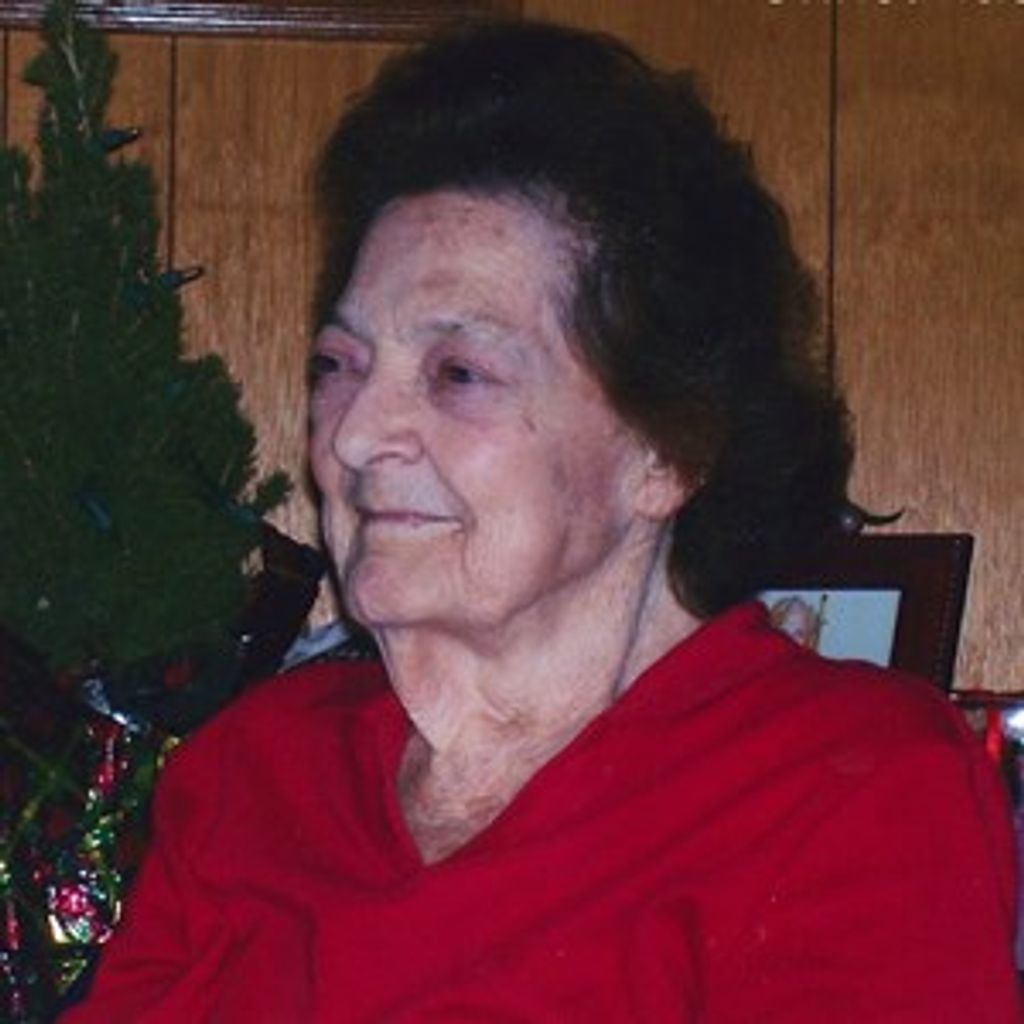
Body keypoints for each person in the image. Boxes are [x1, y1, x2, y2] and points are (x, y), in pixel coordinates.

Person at [64, 20, 1021, 1022]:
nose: (355, 434)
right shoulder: (260, 768)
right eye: (339, 366)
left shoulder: (843, 784)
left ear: (666, 452)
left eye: (458, 373)